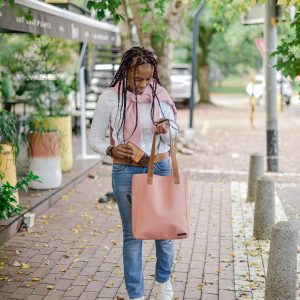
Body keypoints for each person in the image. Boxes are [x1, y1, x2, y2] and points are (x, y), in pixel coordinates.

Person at [89, 46, 177, 300]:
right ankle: (136, 295)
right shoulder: (109, 98)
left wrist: (166, 130)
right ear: (126, 71)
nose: (143, 84)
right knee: (133, 233)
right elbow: (94, 138)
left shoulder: (159, 95)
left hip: (159, 165)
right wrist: (111, 149)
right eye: (138, 78)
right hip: (125, 171)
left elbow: (175, 132)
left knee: (165, 230)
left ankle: (163, 283)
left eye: (148, 79)